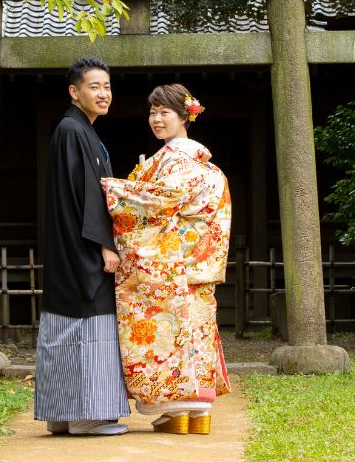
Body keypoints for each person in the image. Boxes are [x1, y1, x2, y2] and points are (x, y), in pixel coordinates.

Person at [101, 84, 232, 435]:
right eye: (152, 112)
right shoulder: (197, 161)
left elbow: (160, 200)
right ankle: (195, 413)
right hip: (192, 263)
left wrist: (114, 189)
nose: (156, 119)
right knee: (195, 333)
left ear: (185, 116)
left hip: (170, 263)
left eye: (165, 113)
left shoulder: (180, 158)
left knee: (170, 334)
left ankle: (177, 411)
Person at [34, 57, 131, 437]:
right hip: (82, 248)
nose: (103, 94)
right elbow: (85, 195)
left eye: (107, 87)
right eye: (95, 87)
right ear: (75, 92)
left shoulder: (78, 131)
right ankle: (88, 414)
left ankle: (62, 413)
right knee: (90, 322)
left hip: (71, 246)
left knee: (66, 323)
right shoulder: (73, 131)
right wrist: (106, 245)